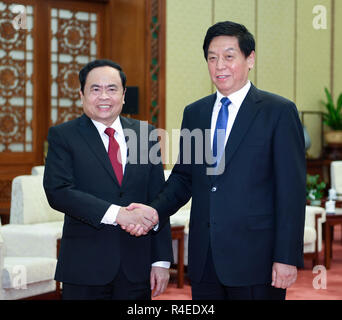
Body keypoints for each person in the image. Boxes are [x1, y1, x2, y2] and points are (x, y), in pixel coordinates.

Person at [125, 21, 306, 300]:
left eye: (229, 56)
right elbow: (184, 178)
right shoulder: (195, 113)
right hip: (205, 259)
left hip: (256, 260)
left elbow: (291, 191)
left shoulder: (278, 112)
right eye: (212, 57)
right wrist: (154, 211)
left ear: (250, 59)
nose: (219, 65)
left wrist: (286, 256)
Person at [43, 59, 173, 300]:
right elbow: (58, 191)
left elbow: (158, 198)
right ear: (82, 94)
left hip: (136, 268)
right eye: (95, 89)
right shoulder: (63, 136)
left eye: (112, 89)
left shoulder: (146, 134)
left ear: (123, 95)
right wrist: (118, 214)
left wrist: (161, 260)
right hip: (84, 269)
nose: (104, 96)